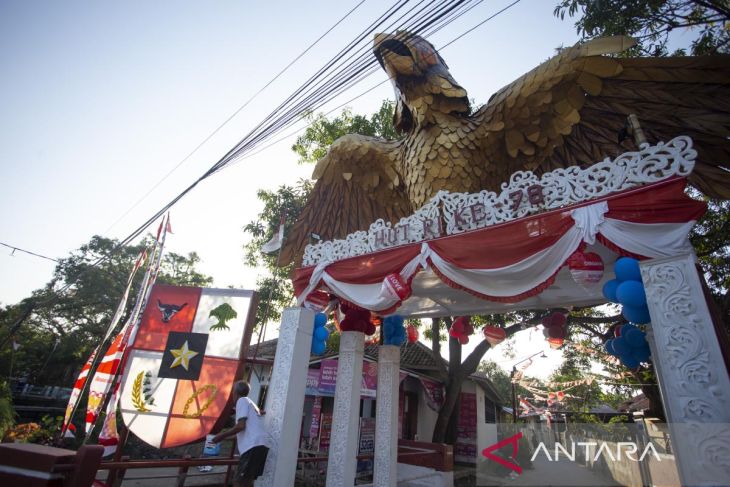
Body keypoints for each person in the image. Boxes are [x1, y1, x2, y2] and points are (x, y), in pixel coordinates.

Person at [211, 380, 271, 487]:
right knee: (247, 481)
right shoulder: (251, 403)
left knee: (239, 481)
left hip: (253, 446)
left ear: (235, 393)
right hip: (260, 445)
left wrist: (221, 435)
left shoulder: (241, 401)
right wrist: (222, 439)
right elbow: (243, 432)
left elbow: (240, 426)